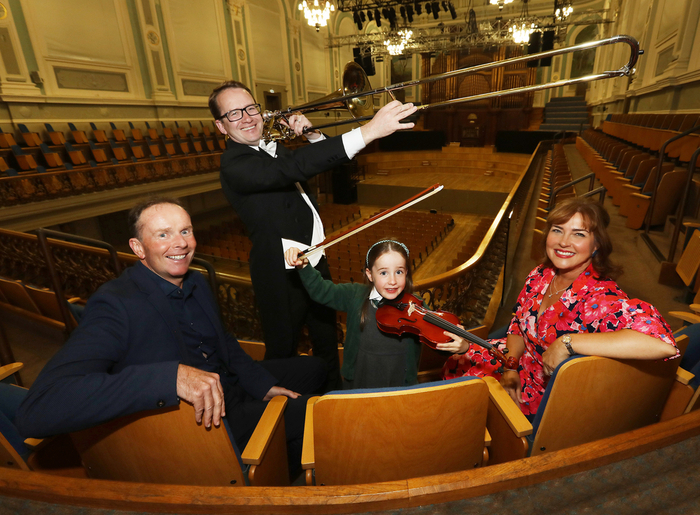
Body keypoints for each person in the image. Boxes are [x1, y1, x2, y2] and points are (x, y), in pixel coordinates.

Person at [15, 198, 326, 473]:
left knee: (315, 368)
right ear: (138, 248)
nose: (180, 243)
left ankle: (286, 458)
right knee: (318, 413)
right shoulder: (115, 304)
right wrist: (171, 378)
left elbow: (225, 342)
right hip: (204, 420)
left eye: (185, 231)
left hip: (230, 384)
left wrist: (263, 386)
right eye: (163, 235)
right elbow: (38, 409)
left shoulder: (197, 281)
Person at [209, 80, 417, 390]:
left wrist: (312, 135)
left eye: (251, 108)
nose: (249, 117)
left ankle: (332, 399)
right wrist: (368, 131)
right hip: (280, 274)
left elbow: (331, 167)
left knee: (326, 339)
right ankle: (282, 413)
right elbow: (294, 168)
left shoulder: (275, 148)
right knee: (283, 349)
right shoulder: (233, 165)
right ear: (221, 126)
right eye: (235, 114)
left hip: (313, 260)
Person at [441, 197, 678, 417]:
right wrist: (510, 368)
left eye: (579, 234)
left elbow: (662, 345)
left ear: (596, 245)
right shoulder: (539, 275)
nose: (564, 242)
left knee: (460, 401)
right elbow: (517, 325)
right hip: (515, 362)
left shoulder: (602, 296)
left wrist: (568, 343)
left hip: (549, 394)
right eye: (557, 230)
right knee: (456, 366)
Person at [285, 239, 467, 389]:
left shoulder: (416, 305)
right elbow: (322, 291)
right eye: (383, 273)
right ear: (369, 274)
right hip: (360, 380)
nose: (393, 281)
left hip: (400, 383)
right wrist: (304, 266)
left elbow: (436, 339)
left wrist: (460, 345)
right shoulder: (354, 294)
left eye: (399, 272)